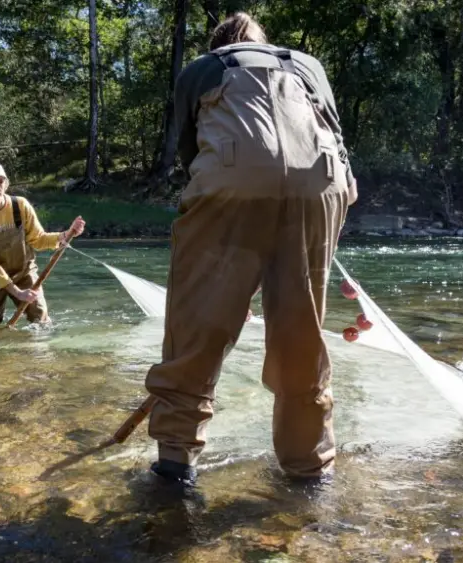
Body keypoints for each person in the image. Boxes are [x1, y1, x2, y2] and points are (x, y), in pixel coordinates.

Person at [143, 12, 359, 487]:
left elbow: (189, 154)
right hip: (321, 185)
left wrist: (227, 287)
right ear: (265, 42)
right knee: (300, 335)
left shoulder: (202, 69)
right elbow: (343, 163)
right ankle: (308, 475)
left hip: (234, 178)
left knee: (194, 329)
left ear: (219, 44)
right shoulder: (308, 66)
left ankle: (174, 471)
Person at [0, 161, 85, 327]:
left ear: (6, 184)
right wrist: (16, 292)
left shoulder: (20, 205)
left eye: (1, 182)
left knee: (41, 320)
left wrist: (66, 234)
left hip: (24, 273)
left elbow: (39, 239)